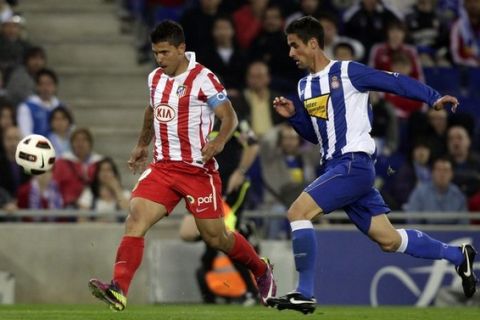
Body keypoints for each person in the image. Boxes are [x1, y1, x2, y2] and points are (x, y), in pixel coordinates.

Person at [265, 16, 477, 314]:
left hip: (353, 164)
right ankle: (458, 256)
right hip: (338, 169)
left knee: (297, 212)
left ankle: (305, 292)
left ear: (313, 44)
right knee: (389, 240)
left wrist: (433, 97)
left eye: (294, 46)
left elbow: (393, 81)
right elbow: (318, 136)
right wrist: (295, 118)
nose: (290, 53)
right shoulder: (303, 87)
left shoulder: (347, 71)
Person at [88, 20, 275, 312]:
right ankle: (119, 289)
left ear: (181, 49)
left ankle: (260, 269)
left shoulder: (204, 79)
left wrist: (219, 143)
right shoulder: (154, 78)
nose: (159, 59)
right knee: (135, 218)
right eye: (155, 53)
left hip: (197, 171)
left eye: (164, 52)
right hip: (163, 168)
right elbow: (151, 111)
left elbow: (230, 118)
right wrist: (141, 145)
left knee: (217, 237)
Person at [179, 118, 260, 305]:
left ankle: (251, 292)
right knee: (190, 234)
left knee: (223, 238)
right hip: (205, 188)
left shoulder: (232, 120)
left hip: (230, 188)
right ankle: (244, 232)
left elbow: (253, 145)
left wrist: (240, 171)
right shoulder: (194, 121)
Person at [404, 157, 467, 225]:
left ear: (451, 174)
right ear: (432, 173)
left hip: (453, 234)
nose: (442, 174)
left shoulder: (458, 195)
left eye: (446, 170)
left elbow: (463, 224)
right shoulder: (419, 193)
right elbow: (413, 221)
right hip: (426, 233)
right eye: (439, 170)